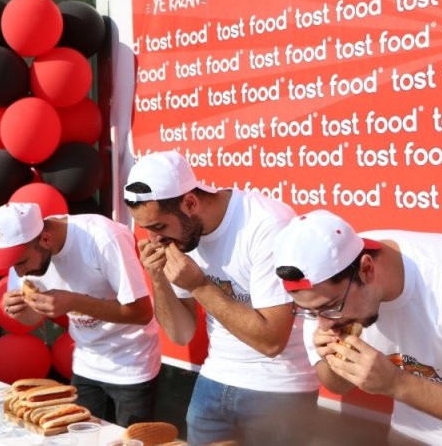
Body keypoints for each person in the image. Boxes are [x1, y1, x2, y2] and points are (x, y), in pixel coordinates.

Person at [273, 209, 442, 445]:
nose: (324, 322)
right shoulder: (326, 288)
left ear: (367, 270)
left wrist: (396, 383)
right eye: (310, 312)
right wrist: (332, 360)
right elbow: (338, 385)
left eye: (330, 307)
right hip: (414, 430)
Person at [123, 150, 318, 445]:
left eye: (159, 227)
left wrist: (200, 286)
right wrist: (158, 278)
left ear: (190, 202)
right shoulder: (181, 237)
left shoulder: (266, 224)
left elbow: (272, 341)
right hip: (212, 381)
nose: (155, 240)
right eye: (147, 230)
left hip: (279, 388)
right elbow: (180, 333)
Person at [0, 202, 161, 427]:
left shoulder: (102, 237)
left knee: (132, 441)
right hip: (85, 363)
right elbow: (33, 318)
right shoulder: (24, 253)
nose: (19, 272)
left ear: (45, 239)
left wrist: (74, 301)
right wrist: (18, 310)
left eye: (22, 262)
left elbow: (142, 313)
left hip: (131, 362)